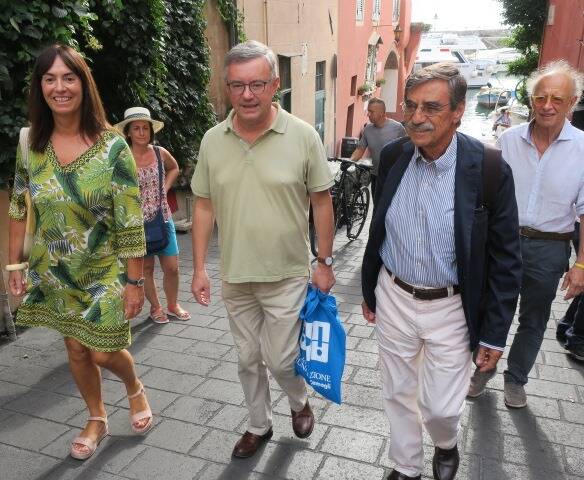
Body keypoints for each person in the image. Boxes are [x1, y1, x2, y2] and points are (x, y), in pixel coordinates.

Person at [361, 63, 521, 480]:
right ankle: (406, 465)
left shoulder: (488, 169)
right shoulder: (395, 155)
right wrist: (369, 290)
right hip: (394, 293)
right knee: (397, 391)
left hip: (452, 304)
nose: (417, 118)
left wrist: (493, 333)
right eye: (411, 106)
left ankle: (445, 443)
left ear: (458, 111)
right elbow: (380, 227)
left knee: (441, 406)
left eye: (431, 107)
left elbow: (506, 259)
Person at [190, 40, 335, 459]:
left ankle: (298, 399)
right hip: (236, 275)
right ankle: (259, 425)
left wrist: (323, 262)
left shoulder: (302, 136)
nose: (247, 95)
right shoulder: (213, 141)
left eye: (257, 84)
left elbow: (322, 200)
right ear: (227, 89)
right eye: (237, 86)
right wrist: (199, 268)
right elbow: (202, 205)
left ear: (275, 85)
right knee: (247, 357)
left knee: (281, 358)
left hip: (288, 273)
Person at [7, 45, 153, 460]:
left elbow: (130, 218)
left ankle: (134, 387)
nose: (59, 87)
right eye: (49, 79)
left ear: (83, 84)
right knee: (75, 349)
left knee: (103, 350)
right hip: (55, 270)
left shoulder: (112, 147)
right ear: (40, 88)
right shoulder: (29, 145)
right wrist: (14, 262)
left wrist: (135, 280)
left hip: (104, 267)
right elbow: (19, 204)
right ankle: (96, 416)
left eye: (68, 78)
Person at [472, 60, 584, 408]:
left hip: (550, 248)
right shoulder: (507, 140)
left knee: (533, 319)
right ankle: (482, 369)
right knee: (492, 309)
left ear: (573, 103)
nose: (547, 105)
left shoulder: (583, 148)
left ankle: (516, 379)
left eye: (557, 99)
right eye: (540, 97)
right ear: (531, 100)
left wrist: (581, 265)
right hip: (502, 243)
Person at [115, 107, 191, 324]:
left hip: (162, 217)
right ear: (128, 132)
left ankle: (173, 304)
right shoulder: (122, 157)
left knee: (172, 267)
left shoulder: (160, 153)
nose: (141, 132)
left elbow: (174, 168)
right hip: (135, 222)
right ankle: (156, 308)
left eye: (145, 128)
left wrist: (164, 188)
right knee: (145, 268)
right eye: (136, 128)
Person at [351, 97, 406, 203]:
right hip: (376, 175)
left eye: (371, 111)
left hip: (393, 176)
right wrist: (350, 162)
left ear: (381, 113)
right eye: (368, 111)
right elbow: (360, 149)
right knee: (377, 204)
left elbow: (407, 151)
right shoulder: (367, 129)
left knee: (391, 205)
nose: (368, 114)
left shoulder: (398, 128)